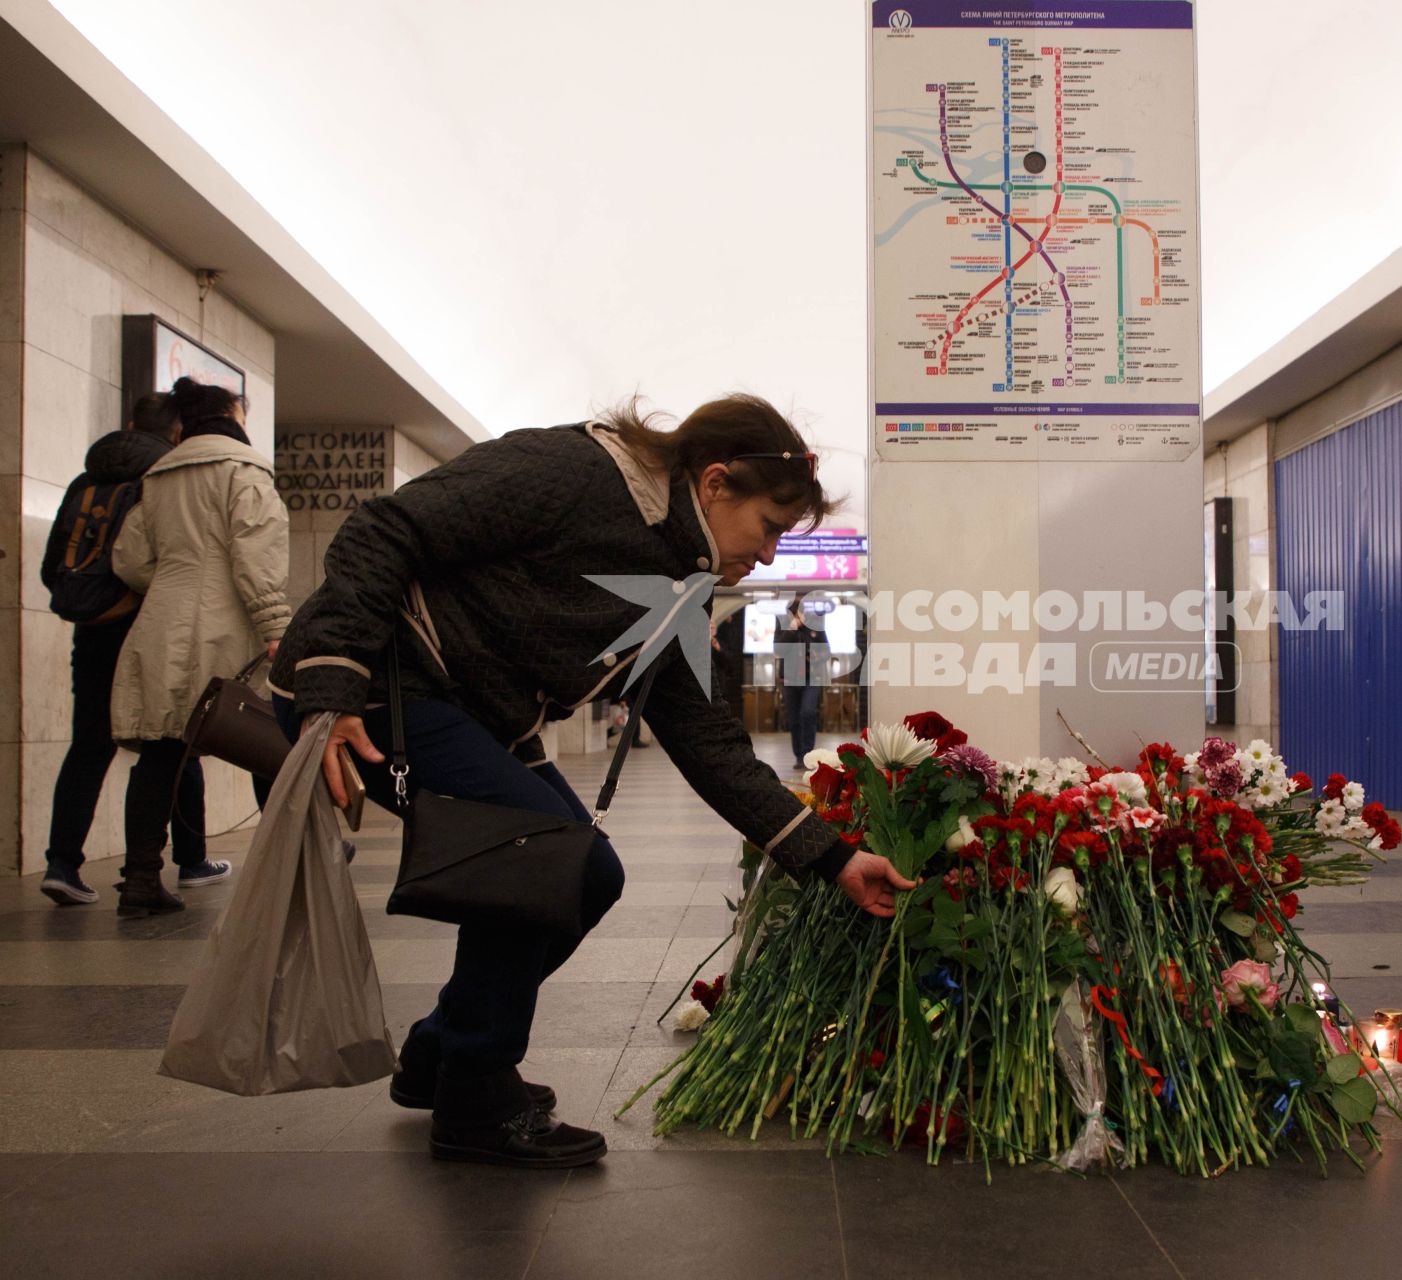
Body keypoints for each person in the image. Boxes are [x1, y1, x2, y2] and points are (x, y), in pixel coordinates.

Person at [268, 394, 915, 1169]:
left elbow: (713, 745)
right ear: (714, 484)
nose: (770, 555)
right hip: (378, 688)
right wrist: (332, 685)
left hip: (468, 712)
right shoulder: (575, 471)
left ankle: (442, 1054)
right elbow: (386, 527)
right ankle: (474, 1092)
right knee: (537, 856)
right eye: (769, 527)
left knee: (582, 875)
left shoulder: (680, 586)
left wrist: (834, 858)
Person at [110, 378, 289, 917]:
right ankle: (294, 856)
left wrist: (176, 583)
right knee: (267, 738)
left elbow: (131, 559)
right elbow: (256, 553)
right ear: (233, 412)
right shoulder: (244, 470)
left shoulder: (158, 476)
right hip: (228, 624)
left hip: (162, 623)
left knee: (161, 752)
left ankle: (140, 877)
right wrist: (275, 624)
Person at [37, 394, 202, 905]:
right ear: (176, 434)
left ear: (130, 424)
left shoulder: (84, 483)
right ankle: (188, 861)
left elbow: (51, 568)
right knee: (171, 739)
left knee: (89, 745)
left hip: (91, 629)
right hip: (143, 626)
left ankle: (62, 864)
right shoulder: (162, 481)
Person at [774, 594, 822, 772]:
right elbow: (778, 649)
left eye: (800, 612)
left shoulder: (815, 625)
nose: (797, 615)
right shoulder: (783, 626)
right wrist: (792, 629)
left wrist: (815, 655)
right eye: (794, 613)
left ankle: (808, 754)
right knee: (794, 719)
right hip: (789, 678)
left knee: (808, 712)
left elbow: (825, 650)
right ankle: (799, 756)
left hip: (812, 677)